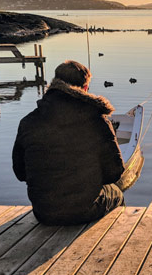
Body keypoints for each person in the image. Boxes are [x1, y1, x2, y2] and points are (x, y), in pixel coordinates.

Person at [12, 60, 125, 225]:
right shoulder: (97, 120)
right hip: (85, 210)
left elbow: (20, 173)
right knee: (117, 193)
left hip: (44, 213)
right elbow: (114, 172)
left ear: (53, 85)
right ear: (85, 89)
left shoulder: (28, 122)